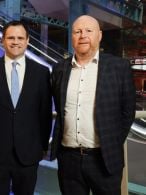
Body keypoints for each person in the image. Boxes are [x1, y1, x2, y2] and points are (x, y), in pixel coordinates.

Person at [51, 15, 136, 195]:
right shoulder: (59, 68)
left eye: (89, 31)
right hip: (69, 160)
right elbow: (59, 110)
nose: (83, 35)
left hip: (104, 160)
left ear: (99, 35)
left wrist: (110, 143)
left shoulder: (119, 67)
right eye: (77, 31)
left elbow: (127, 112)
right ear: (72, 37)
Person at [0, 20, 52, 195]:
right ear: (3, 41)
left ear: (27, 41)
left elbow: (45, 113)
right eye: (10, 37)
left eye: (20, 38)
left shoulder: (41, 73)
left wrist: (43, 145)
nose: (15, 42)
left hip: (29, 151)